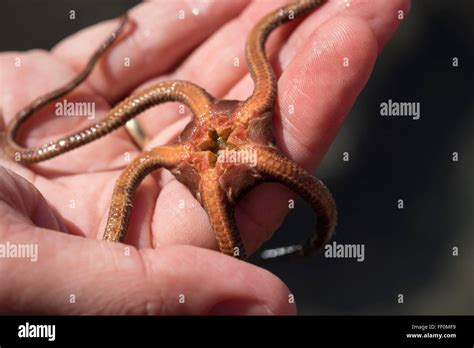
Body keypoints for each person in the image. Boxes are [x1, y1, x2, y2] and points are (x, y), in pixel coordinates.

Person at [0, 0, 409, 314]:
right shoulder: (201, 157)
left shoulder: (237, 126)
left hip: (216, 145)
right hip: (197, 155)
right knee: (258, 42)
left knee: (260, 38)